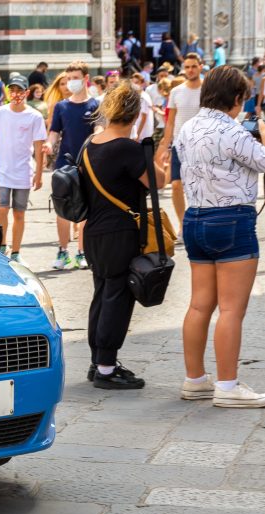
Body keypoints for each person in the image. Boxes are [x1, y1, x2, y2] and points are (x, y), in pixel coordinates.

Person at [174, 66, 265, 407]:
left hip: (195, 218)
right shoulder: (234, 131)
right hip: (231, 220)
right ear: (237, 98)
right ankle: (228, 386)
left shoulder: (188, 127)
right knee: (231, 310)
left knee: (199, 304)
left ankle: (195, 379)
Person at [80, 81, 168, 389]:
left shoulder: (91, 143)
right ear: (135, 113)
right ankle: (106, 368)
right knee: (118, 296)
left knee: (102, 293)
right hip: (120, 232)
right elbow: (159, 182)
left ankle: (98, 361)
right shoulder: (127, 149)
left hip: (94, 232)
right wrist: (159, 153)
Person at [48, 60, 99, 269]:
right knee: (62, 209)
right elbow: (54, 132)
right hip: (63, 166)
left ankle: (82, 251)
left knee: (85, 210)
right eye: (68, 79)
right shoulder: (61, 106)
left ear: (85, 79)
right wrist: (48, 145)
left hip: (86, 165)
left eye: (75, 78)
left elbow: (99, 130)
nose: (71, 82)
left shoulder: (95, 105)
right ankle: (62, 252)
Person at [0, 75, 45, 264]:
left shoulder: (34, 116)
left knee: (19, 213)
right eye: (12, 90)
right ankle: (2, 245)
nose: (16, 95)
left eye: (20, 91)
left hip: (23, 171)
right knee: (2, 209)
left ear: (26, 93)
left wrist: (39, 174)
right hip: (3, 170)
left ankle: (16, 251)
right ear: (7, 92)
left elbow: (39, 147)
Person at [157, 53, 204, 226]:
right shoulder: (176, 91)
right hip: (180, 145)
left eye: (193, 66)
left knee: (199, 186)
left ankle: (198, 221)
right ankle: (183, 224)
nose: (190, 70)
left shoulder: (208, 89)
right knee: (176, 184)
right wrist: (164, 147)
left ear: (200, 66)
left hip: (202, 146)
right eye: (187, 67)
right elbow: (170, 123)